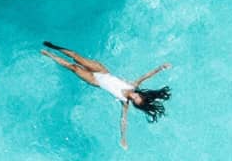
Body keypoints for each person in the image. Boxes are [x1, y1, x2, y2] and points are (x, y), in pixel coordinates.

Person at [40, 41, 171, 148]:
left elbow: (123, 121)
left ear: (134, 103)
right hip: (102, 71)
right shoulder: (133, 86)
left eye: (135, 100)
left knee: (73, 67)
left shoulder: (124, 102)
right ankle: (54, 47)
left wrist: (123, 138)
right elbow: (146, 76)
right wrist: (161, 68)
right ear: (139, 94)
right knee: (76, 56)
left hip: (95, 81)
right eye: (137, 96)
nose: (134, 96)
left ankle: (49, 55)